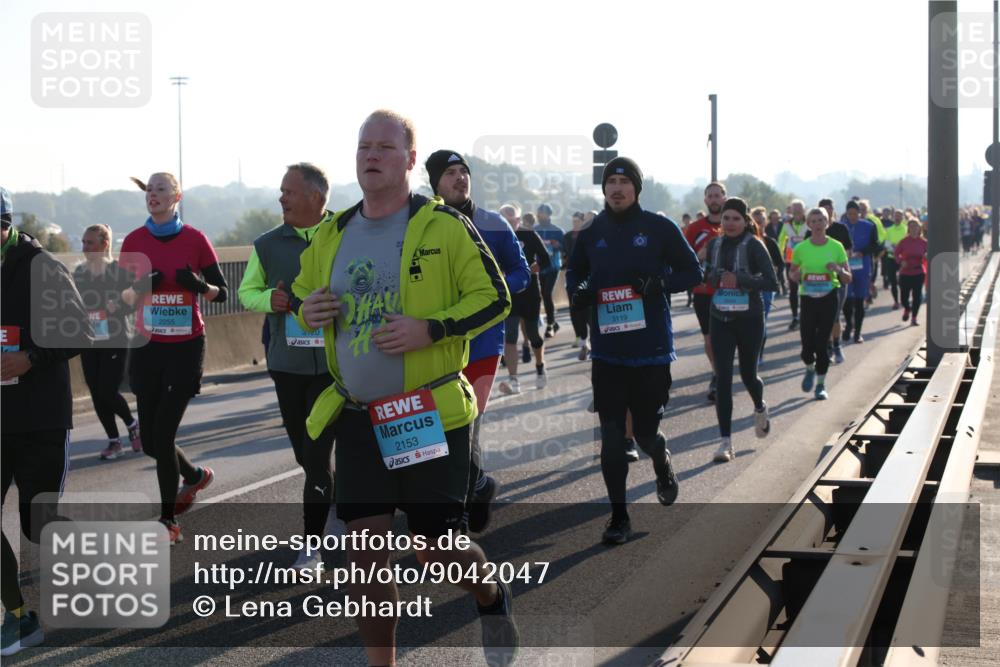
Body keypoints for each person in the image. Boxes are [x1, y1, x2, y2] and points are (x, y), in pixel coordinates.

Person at [290, 110, 517, 667]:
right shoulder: (332, 232)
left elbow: (495, 297)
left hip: (426, 412)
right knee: (365, 551)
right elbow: (299, 295)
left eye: (385, 147)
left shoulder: (444, 226)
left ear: (411, 160)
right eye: (364, 145)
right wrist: (307, 308)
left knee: (436, 550)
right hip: (359, 414)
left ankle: (490, 593)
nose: (372, 155)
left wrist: (431, 328)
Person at [567, 157, 702, 544]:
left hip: (651, 349)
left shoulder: (659, 227)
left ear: (637, 189)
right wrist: (581, 292)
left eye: (625, 181)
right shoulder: (593, 231)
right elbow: (575, 272)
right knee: (611, 439)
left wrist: (659, 282)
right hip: (608, 351)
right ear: (604, 189)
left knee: (645, 434)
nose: (617, 187)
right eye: (611, 181)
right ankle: (618, 518)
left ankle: (661, 461)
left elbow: (693, 272)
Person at [2, 186, 93, 656]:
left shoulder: (42, 267)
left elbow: (79, 329)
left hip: (39, 419)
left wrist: (30, 358)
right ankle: (19, 616)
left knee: (38, 526)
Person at [238, 162, 342, 571]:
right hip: (287, 364)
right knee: (305, 454)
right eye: (281, 192)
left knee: (317, 457)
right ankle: (329, 501)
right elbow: (247, 292)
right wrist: (271, 301)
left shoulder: (348, 234)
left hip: (335, 368)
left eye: (289, 192)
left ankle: (311, 547)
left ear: (316, 197)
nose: (281, 198)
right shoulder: (267, 244)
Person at [424, 149, 530, 536]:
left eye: (463, 172)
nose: (459, 179)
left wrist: (496, 287)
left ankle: (461, 510)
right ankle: (477, 485)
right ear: (434, 182)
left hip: (484, 342)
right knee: (436, 427)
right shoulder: (424, 225)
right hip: (438, 345)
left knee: (469, 424)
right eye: (450, 173)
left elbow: (521, 274)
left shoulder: (494, 223)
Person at [119, 172, 229, 544]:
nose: (153, 194)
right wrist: (138, 287)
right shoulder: (134, 240)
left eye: (161, 189)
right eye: (149, 190)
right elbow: (120, 299)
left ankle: (168, 521)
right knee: (150, 442)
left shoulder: (195, 239)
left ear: (176, 196)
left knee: (163, 437)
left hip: (186, 347)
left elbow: (223, 293)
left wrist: (199, 286)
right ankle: (195, 476)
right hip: (148, 347)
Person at [702, 198, 777, 462]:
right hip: (720, 317)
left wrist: (741, 280)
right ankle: (725, 442)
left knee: (748, 375)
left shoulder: (755, 245)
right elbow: (707, 275)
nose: (730, 223)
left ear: (746, 221)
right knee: (722, 377)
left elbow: (772, 282)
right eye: (726, 218)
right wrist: (713, 276)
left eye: (736, 218)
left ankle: (759, 406)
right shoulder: (715, 244)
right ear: (721, 221)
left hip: (749, 319)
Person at [73, 224, 141, 460]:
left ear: (104, 244)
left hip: (115, 339)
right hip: (89, 339)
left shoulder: (118, 272)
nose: (85, 247)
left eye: (90, 243)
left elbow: (134, 300)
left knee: (106, 389)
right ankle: (114, 441)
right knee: (95, 392)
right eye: (83, 242)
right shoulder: (79, 273)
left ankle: (132, 425)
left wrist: (118, 306)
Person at [789, 208, 851, 400]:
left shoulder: (836, 247)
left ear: (827, 223)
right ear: (808, 224)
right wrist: (796, 276)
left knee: (822, 343)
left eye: (821, 220)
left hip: (829, 297)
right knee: (807, 347)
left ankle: (821, 385)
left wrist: (838, 269)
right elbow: (792, 272)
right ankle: (809, 368)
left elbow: (848, 278)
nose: (817, 224)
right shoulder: (800, 249)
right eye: (813, 221)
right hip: (807, 298)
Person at [497, 203, 549, 394]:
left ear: (519, 220)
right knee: (510, 336)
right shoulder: (496, 235)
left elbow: (546, 259)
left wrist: (530, 270)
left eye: (515, 220)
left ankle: (540, 366)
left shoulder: (529, 235)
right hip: (509, 293)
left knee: (533, 334)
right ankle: (514, 379)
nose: (511, 224)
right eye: (507, 220)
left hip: (530, 292)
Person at [683, 181, 727, 401]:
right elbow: (684, 257)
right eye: (710, 196)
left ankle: (724, 372)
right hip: (704, 291)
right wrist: (698, 255)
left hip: (732, 292)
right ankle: (717, 375)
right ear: (705, 200)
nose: (714, 199)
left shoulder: (735, 224)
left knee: (728, 338)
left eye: (718, 195)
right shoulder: (695, 228)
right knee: (710, 339)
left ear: (724, 198)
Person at [816, 198, 853, 363]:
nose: (826, 212)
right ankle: (827, 345)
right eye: (823, 210)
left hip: (837, 279)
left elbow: (848, 252)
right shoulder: (812, 232)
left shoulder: (840, 229)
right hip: (817, 280)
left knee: (835, 316)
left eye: (829, 209)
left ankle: (836, 345)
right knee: (821, 318)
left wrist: (837, 265)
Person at [841, 200, 880, 344]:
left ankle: (857, 332)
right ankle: (848, 325)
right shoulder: (841, 227)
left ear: (860, 213)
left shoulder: (869, 226)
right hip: (846, 268)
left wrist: (862, 252)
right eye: (849, 214)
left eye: (855, 213)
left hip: (862, 268)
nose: (852, 216)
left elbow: (876, 245)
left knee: (859, 301)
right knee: (847, 300)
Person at [750, 207, 783, 362]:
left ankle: (758, 354)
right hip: (747, 287)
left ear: (765, 222)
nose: (758, 223)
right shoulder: (746, 242)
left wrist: (773, 269)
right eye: (755, 220)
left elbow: (780, 263)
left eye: (761, 220)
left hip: (765, 288)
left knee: (761, 319)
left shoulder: (770, 242)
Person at [534, 203, 565, 338]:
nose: (540, 216)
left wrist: (557, 245)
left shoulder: (557, 230)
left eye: (543, 213)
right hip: (539, 267)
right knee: (541, 296)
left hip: (553, 267)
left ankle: (550, 325)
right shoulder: (534, 230)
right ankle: (553, 322)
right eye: (539, 213)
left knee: (547, 294)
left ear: (549, 215)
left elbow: (564, 247)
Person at [778, 199, 809, 330]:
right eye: (795, 210)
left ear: (804, 210)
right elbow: (780, 241)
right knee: (793, 290)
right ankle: (795, 316)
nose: (797, 213)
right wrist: (780, 257)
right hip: (791, 261)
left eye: (800, 210)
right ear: (791, 211)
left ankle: (806, 315)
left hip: (806, 261)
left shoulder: (809, 224)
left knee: (806, 289)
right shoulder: (786, 225)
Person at [564, 211, 591, 359]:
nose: (575, 224)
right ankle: (582, 341)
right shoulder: (567, 236)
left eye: (577, 221)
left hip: (588, 276)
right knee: (575, 309)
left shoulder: (589, 234)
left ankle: (591, 341)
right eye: (573, 221)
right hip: (573, 276)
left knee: (590, 311)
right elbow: (565, 254)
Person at [894, 219, 928, 326]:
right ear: (908, 228)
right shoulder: (904, 242)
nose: (914, 228)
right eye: (911, 226)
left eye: (916, 226)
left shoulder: (924, 242)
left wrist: (926, 257)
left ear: (919, 228)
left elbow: (928, 254)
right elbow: (896, 254)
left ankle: (914, 318)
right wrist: (900, 261)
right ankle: (907, 309)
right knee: (904, 297)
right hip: (905, 273)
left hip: (918, 272)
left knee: (917, 296)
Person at [882, 209, 907, 310]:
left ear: (902, 217)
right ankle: (896, 301)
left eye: (899, 215)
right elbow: (886, 243)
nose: (897, 217)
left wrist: (899, 248)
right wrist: (894, 247)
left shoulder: (906, 229)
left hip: (903, 259)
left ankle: (903, 300)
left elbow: (907, 242)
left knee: (903, 281)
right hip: (891, 258)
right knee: (893, 281)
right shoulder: (889, 229)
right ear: (893, 217)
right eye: (896, 215)